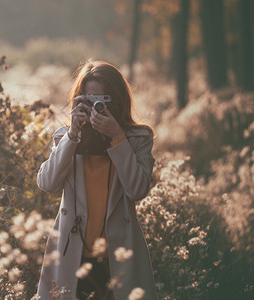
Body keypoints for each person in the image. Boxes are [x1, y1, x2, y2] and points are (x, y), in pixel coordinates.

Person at [36, 59, 157, 300]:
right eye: (89, 101)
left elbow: (137, 190)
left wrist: (118, 138)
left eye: (102, 102)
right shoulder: (68, 138)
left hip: (118, 256)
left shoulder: (137, 138)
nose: (95, 108)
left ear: (119, 101)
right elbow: (47, 183)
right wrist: (72, 135)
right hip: (73, 254)